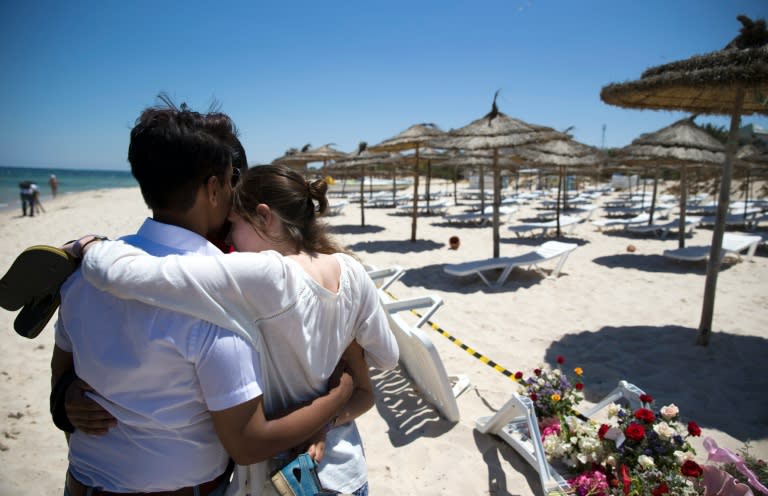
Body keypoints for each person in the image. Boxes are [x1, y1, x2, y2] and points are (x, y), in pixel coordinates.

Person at [52, 102, 355, 496]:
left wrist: (63, 398)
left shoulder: (82, 277)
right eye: (231, 181)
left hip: (81, 484)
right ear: (214, 188)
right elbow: (246, 443)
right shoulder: (222, 298)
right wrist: (342, 393)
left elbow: (61, 371)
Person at [75, 164, 399, 495]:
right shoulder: (350, 270)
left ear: (264, 217)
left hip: (284, 482)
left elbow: (134, 276)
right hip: (348, 474)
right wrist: (340, 376)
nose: (228, 237)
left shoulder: (269, 276)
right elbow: (387, 358)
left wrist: (89, 247)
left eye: (234, 223)